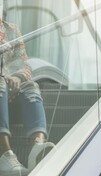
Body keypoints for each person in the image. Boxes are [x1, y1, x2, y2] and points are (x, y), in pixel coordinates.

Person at [0, 19, 55, 176]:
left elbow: (24, 65)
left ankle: (37, 147)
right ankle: (5, 154)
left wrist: (17, 77)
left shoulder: (11, 30)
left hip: (10, 94)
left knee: (30, 86)